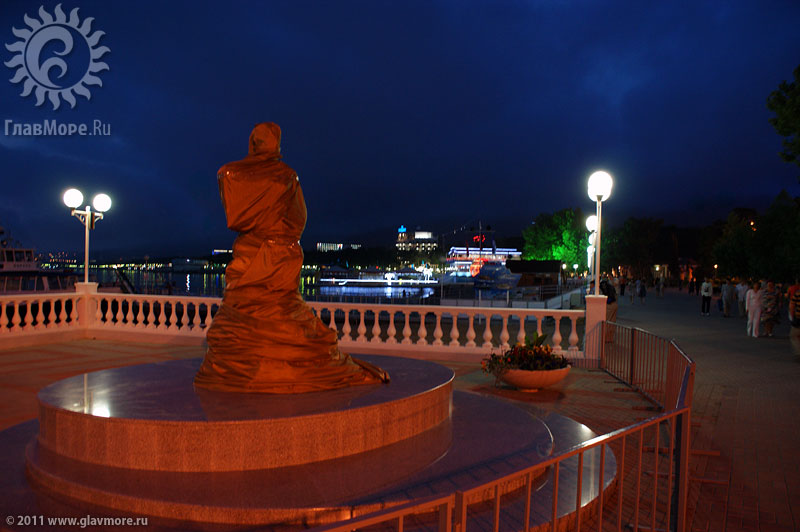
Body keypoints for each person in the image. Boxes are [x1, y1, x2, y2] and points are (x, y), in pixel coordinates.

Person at [195, 123, 389, 393]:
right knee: (281, 308)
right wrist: (282, 237)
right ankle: (278, 362)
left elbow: (235, 213)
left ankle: (250, 364)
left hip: (250, 253)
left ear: (252, 142)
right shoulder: (285, 176)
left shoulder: (230, 173)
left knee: (246, 306)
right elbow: (299, 218)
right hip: (278, 253)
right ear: (276, 144)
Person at [789, 278, 800, 356]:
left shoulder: (798, 293)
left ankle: (799, 351)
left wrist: (792, 315)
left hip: (799, 317)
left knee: (793, 335)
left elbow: (792, 305)